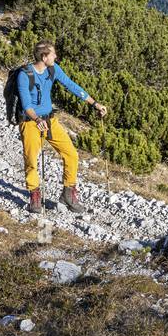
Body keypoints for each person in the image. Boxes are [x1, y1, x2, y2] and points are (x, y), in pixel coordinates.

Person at [17, 41, 107, 214]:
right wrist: (36, 119)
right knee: (31, 159)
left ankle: (68, 193)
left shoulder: (53, 69)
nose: (56, 57)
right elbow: (26, 104)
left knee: (71, 154)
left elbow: (71, 85)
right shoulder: (24, 74)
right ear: (44, 57)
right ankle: (34, 195)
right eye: (53, 54)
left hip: (50, 121)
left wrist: (94, 103)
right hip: (30, 123)